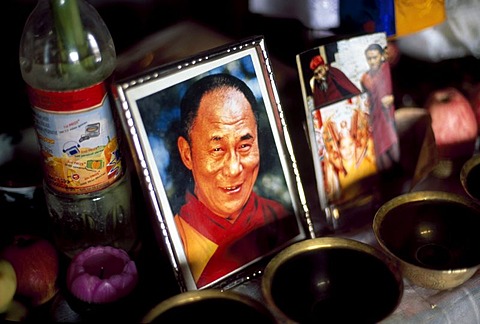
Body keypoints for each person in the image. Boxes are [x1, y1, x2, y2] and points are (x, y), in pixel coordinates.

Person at [174, 73, 299, 288]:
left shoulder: (278, 216)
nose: (234, 169)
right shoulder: (177, 239)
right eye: (217, 149)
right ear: (187, 154)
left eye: (244, 146)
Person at [360, 44, 400, 171]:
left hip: (389, 114)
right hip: (376, 115)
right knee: (380, 149)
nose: (372, 61)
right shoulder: (366, 78)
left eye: (375, 58)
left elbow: (398, 91)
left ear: (381, 56)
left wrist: (392, 98)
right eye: (369, 59)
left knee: (393, 144)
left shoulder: (387, 70)